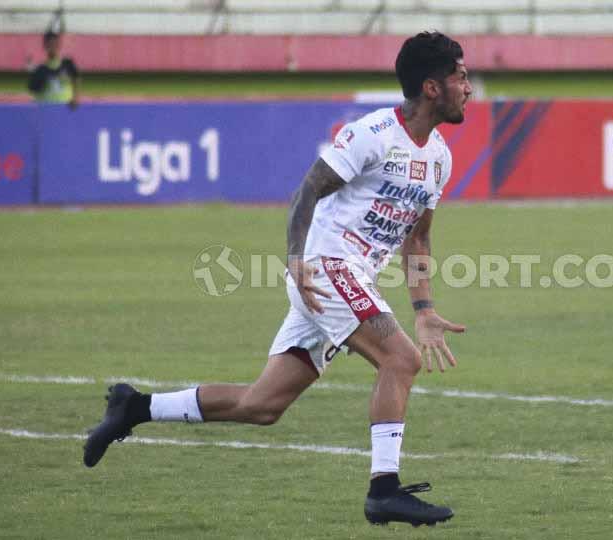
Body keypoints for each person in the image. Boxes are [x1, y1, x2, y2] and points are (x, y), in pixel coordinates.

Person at [83, 31, 472, 527]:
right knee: (400, 359)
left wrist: (424, 310)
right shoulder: (373, 135)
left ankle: (133, 407)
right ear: (432, 87)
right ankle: (384, 490)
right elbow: (306, 193)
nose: (469, 86)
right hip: (325, 267)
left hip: (351, 279)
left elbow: (417, 240)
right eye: (461, 75)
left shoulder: (439, 157)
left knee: (262, 405)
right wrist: (295, 259)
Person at [27, 30, 80, 109]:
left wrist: (76, 97)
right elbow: (34, 91)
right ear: (45, 46)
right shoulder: (40, 69)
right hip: (48, 111)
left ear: (59, 45)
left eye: (55, 44)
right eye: (50, 44)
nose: (52, 47)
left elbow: (76, 78)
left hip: (66, 109)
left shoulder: (68, 63)